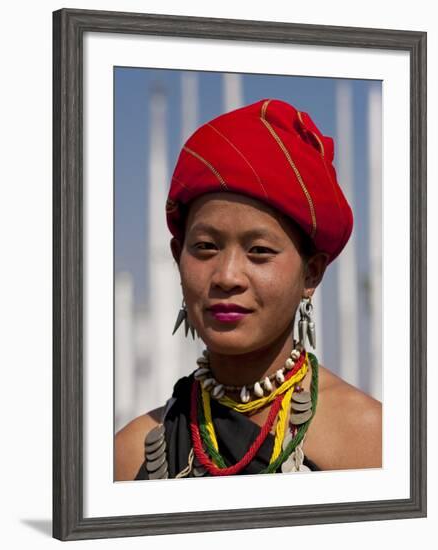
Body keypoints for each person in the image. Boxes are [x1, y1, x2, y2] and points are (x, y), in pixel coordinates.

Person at [115, 98, 382, 481]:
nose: (226, 275)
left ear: (311, 273)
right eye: (205, 247)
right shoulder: (129, 454)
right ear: (177, 257)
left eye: (259, 251)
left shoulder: (373, 442)